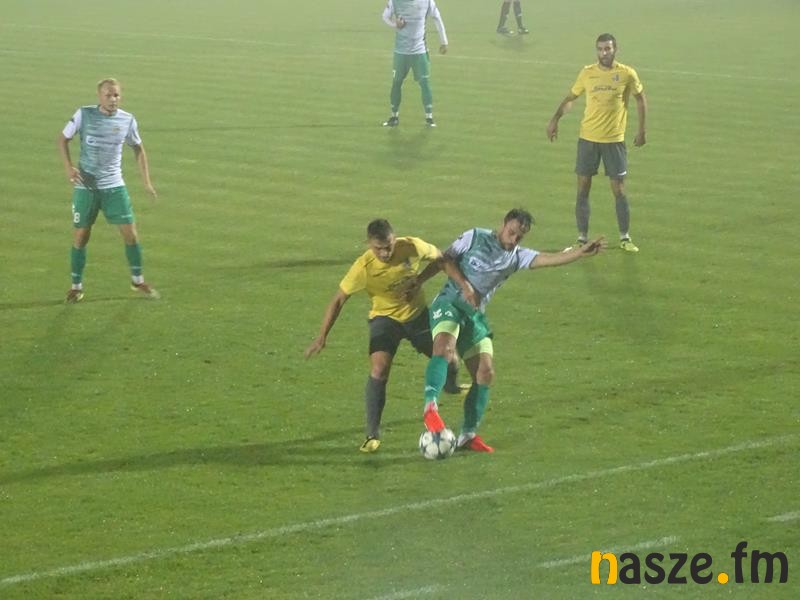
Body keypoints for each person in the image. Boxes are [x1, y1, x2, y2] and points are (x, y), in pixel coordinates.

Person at [420, 209, 604, 453]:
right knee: (444, 349)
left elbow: (547, 258)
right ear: (503, 224)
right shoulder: (474, 237)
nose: (514, 239)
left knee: (485, 372)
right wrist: (423, 282)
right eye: (511, 232)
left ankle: (468, 434)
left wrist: (579, 253)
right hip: (449, 303)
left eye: (520, 236)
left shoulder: (516, 256)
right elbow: (443, 260)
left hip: (473, 314)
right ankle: (430, 407)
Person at [304, 219, 463, 453]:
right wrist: (321, 336)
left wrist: (423, 281)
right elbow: (338, 299)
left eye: (389, 246)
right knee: (379, 369)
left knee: (450, 358)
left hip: (417, 317)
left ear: (394, 238)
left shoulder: (412, 246)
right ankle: (372, 434)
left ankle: (450, 385)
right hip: (385, 320)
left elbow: (442, 259)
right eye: (379, 248)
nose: (385, 253)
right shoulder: (363, 267)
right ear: (368, 244)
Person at [58, 78, 159, 303]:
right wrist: (68, 167)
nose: (113, 99)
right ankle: (76, 286)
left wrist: (146, 182)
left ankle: (138, 280)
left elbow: (139, 149)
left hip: (114, 186)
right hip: (86, 187)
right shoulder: (84, 115)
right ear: (99, 96)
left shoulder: (127, 120)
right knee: (81, 236)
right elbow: (63, 139)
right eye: (109, 95)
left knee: (131, 234)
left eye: (116, 95)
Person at [546, 33, 647, 252]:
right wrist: (555, 119)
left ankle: (625, 238)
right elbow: (571, 98)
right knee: (583, 188)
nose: (604, 53)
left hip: (614, 140)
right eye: (600, 49)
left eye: (607, 49)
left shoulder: (627, 73)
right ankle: (581, 238)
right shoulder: (587, 73)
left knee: (619, 189)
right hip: (588, 139)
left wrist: (641, 130)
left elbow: (640, 99)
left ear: (615, 49)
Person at [381, 0, 448, 128]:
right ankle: (394, 117)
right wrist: (395, 24)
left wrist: (444, 41)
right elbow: (385, 16)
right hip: (400, 52)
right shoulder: (395, 1)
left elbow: (437, 18)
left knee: (425, 83)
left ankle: (429, 118)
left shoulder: (427, 2)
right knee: (396, 83)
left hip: (419, 51)